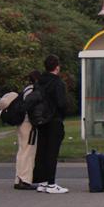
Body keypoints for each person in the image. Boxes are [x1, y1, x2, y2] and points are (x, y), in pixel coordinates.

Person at [33, 54, 69, 194]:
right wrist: (63, 112)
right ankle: (52, 183)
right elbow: (61, 103)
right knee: (52, 153)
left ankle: (42, 182)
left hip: (41, 120)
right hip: (54, 120)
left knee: (41, 151)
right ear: (57, 67)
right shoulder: (57, 83)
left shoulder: (39, 82)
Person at [9, 70, 41, 190]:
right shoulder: (33, 91)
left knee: (22, 150)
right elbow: (31, 108)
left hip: (22, 123)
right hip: (28, 124)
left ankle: (19, 178)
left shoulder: (26, 89)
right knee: (28, 151)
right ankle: (24, 179)